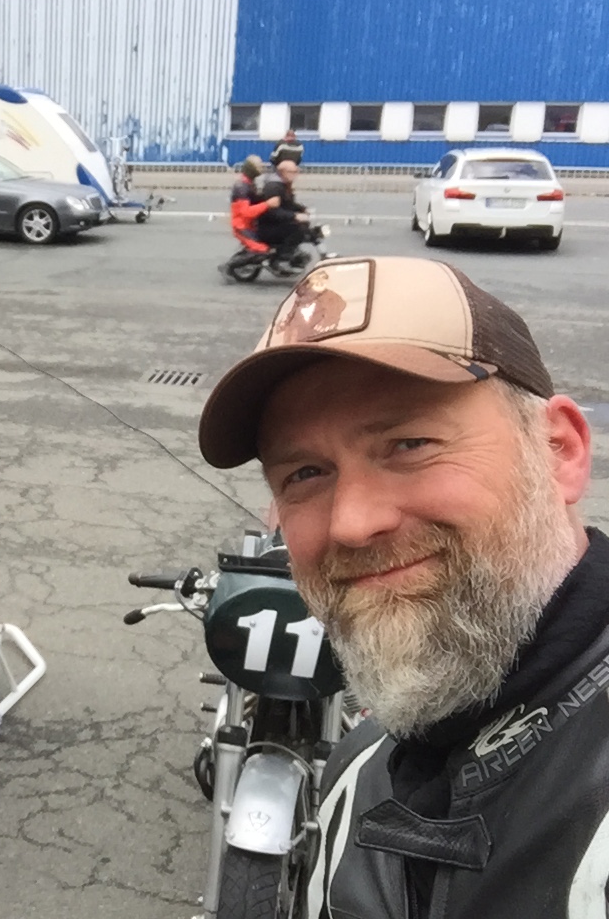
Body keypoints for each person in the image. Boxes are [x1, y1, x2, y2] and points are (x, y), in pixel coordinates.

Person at [197, 255, 605, 918]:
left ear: (559, 452)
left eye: (410, 444)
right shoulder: (359, 768)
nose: (351, 524)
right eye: (305, 474)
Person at [256, 160, 312, 261]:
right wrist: (294, 216)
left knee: (305, 226)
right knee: (298, 230)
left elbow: (287, 203)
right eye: (292, 172)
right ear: (283, 172)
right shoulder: (273, 187)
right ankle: (283, 256)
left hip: (275, 223)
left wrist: (301, 209)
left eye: (296, 171)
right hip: (267, 226)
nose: (295, 175)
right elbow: (272, 212)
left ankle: (291, 251)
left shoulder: (283, 185)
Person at [229, 155, 281, 253]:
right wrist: (267, 204)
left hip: (251, 225)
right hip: (242, 227)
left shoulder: (250, 184)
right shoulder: (242, 187)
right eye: (259, 166)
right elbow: (246, 212)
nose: (262, 168)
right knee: (263, 250)